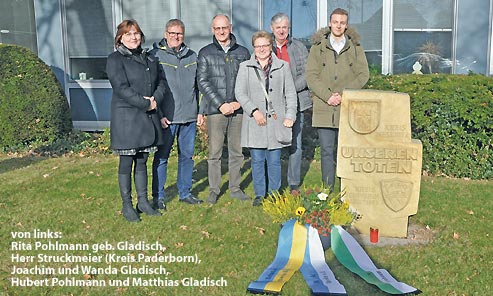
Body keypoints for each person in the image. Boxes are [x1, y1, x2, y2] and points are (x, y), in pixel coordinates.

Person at [106, 19, 164, 222]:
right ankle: (127, 205)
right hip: (127, 119)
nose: (133, 37)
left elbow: (161, 82)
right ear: (120, 38)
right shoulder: (115, 59)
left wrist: (156, 98)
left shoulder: (149, 58)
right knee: (127, 161)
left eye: (136, 33)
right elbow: (121, 88)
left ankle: (143, 201)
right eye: (128, 34)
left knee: (142, 161)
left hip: (147, 117)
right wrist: (144, 103)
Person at [306, 8, 369, 191]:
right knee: (326, 151)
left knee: (346, 151)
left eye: (342, 22)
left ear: (346, 25)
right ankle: (327, 189)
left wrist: (344, 95)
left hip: (347, 106)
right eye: (335, 22)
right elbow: (311, 76)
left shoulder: (355, 47)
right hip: (324, 106)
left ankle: (347, 189)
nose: (339, 25)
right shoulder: (318, 47)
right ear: (330, 23)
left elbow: (363, 75)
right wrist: (327, 96)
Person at [235, 30, 297, 206]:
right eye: (258, 46)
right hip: (256, 121)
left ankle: (274, 193)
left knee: (275, 160)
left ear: (271, 46)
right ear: (253, 48)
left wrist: (290, 115)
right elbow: (239, 93)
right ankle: (260, 194)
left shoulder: (283, 67)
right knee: (257, 159)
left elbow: (290, 94)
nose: (262, 49)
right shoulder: (245, 67)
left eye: (265, 45)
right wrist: (254, 111)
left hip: (277, 122)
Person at [197, 14, 251, 204]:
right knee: (215, 153)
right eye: (217, 28)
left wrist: (237, 103)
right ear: (213, 30)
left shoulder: (243, 52)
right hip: (216, 110)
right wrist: (221, 104)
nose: (221, 31)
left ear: (230, 27)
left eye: (224, 28)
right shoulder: (205, 52)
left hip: (237, 109)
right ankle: (214, 189)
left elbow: (248, 81)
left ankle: (235, 188)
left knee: (237, 151)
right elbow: (202, 81)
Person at [150, 19, 204, 208]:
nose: (175, 37)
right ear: (165, 34)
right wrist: (159, 114)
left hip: (189, 116)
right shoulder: (155, 56)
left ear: (183, 35)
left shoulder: (192, 56)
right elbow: (152, 87)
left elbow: (200, 86)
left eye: (179, 33)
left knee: (187, 157)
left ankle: (185, 192)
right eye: (172, 33)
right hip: (167, 118)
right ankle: (159, 196)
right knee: (162, 157)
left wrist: (200, 111)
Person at [270, 13, 312, 194]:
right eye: (278, 27)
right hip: (272, 105)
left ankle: (293, 183)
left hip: (297, 102)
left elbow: (308, 73)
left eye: (285, 27)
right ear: (272, 28)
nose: (281, 31)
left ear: (289, 29)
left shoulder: (299, 47)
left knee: (295, 143)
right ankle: (274, 183)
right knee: (273, 144)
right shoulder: (265, 47)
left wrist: (290, 90)